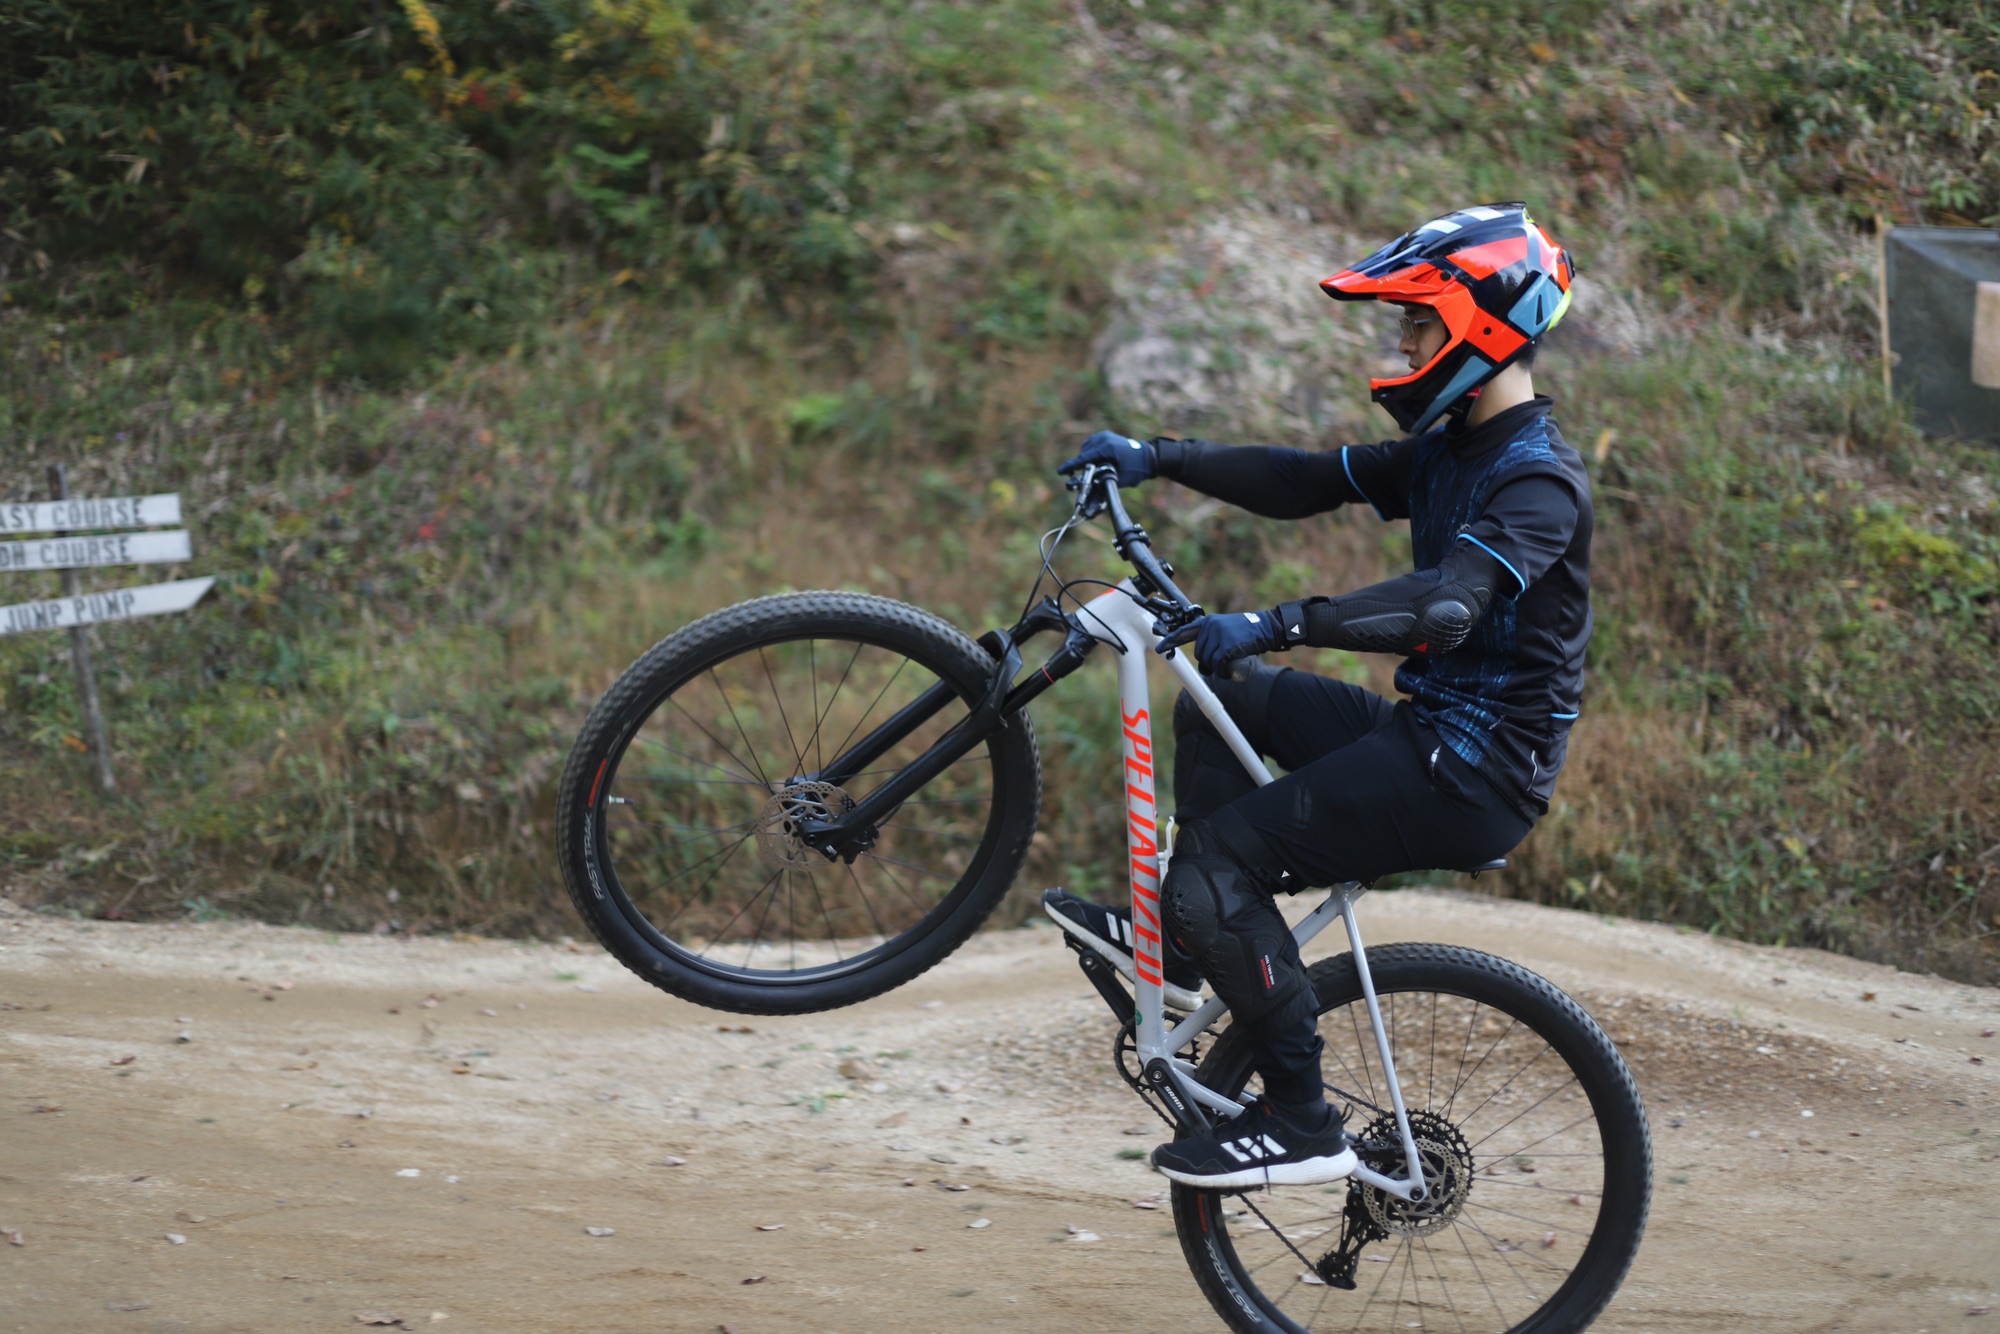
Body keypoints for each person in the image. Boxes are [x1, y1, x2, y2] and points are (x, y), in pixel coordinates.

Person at [1043, 202, 1591, 1189]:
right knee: (1220, 687)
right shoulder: (1451, 448)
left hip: (1472, 774)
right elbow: (1305, 478)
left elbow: (1445, 605)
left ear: (1480, 325)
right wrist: (1157, 456)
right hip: (1429, 730)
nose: (1399, 346)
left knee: (1216, 864)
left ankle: (1299, 1116)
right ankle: (1178, 942)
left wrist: (1281, 619)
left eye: (1415, 325)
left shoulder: (1535, 481)